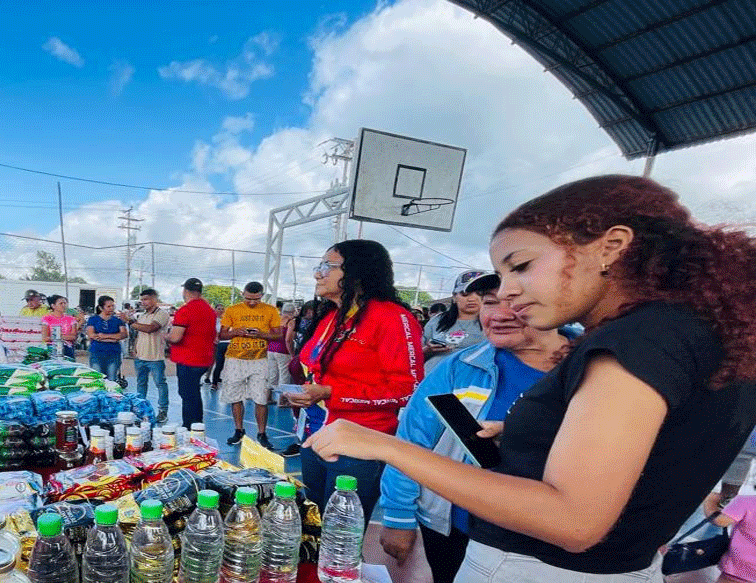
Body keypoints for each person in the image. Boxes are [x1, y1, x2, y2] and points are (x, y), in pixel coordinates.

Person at [304, 175, 756, 581]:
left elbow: (573, 521)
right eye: (499, 280)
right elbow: (653, 457)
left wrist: (385, 446)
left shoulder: (636, 343)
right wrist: (528, 434)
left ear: (612, 246)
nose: (507, 292)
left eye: (520, 266)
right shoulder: (696, 336)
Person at [379, 273, 574, 583]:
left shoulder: (593, 365)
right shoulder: (460, 366)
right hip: (457, 528)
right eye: (490, 302)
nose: (498, 315)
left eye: (515, 303)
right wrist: (398, 516)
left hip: (551, 536)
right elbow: (412, 440)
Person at [286, 240, 423, 519]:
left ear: (357, 272)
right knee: (313, 523)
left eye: (328, 266)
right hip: (315, 435)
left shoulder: (392, 318)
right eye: (319, 266)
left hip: (358, 444)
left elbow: (407, 390)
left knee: (340, 532)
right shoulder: (332, 317)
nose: (318, 273)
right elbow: (316, 369)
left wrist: (331, 393)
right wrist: (304, 393)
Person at [218, 281, 283, 450]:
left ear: (262, 296)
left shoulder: (270, 310)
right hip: (235, 359)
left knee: (261, 398)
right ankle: (238, 430)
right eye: (248, 299)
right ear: (243, 294)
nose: (252, 302)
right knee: (235, 397)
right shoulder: (232, 310)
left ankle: (262, 433)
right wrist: (235, 332)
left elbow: (279, 335)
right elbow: (222, 335)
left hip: (259, 359)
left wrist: (262, 334)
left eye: (256, 299)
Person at [167, 278, 218, 429]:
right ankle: (196, 425)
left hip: (188, 359)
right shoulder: (210, 310)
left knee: (187, 394)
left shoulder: (185, 310)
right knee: (194, 393)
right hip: (205, 359)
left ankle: (190, 426)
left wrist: (165, 336)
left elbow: (175, 338)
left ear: (186, 291)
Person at [124, 288, 173, 424]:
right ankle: (141, 409)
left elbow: (151, 328)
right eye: (142, 300)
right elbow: (139, 333)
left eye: (146, 299)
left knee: (160, 384)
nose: (143, 302)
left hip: (155, 357)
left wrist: (130, 322)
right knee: (141, 384)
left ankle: (163, 411)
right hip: (140, 357)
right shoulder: (142, 315)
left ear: (154, 299)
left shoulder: (162, 314)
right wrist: (135, 349)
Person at [421, 271, 486, 373]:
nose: (472, 299)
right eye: (465, 294)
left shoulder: (494, 323)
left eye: (480, 293)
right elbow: (413, 356)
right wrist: (428, 350)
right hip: (431, 378)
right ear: (454, 297)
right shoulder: (437, 320)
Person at [266, 303, 299, 456]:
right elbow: (288, 339)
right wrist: (292, 354)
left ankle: (267, 397)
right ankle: (282, 401)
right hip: (283, 351)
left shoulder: (275, 319)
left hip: (271, 349)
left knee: (271, 376)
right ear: (292, 312)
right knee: (284, 376)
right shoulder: (291, 322)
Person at [85, 295, 127, 381]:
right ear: (101, 308)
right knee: (98, 379)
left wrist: (103, 336)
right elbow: (91, 335)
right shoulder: (93, 319)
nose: (112, 308)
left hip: (114, 353)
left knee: (112, 379)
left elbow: (123, 335)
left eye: (113, 306)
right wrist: (113, 338)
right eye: (108, 306)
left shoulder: (117, 320)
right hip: (97, 352)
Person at [41, 294, 79, 358]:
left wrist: (56, 337)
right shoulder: (46, 319)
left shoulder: (71, 319)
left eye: (65, 303)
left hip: (67, 348)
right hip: (51, 348)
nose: (64, 305)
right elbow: (45, 338)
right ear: (53, 306)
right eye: (61, 303)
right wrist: (63, 337)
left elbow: (73, 337)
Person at [206, 303, 229, 388]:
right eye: (219, 309)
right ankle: (207, 377)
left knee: (220, 362)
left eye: (222, 309)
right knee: (211, 361)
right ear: (215, 310)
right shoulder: (212, 319)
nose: (221, 310)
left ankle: (217, 377)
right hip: (213, 342)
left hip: (221, 342)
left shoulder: (225, 320)